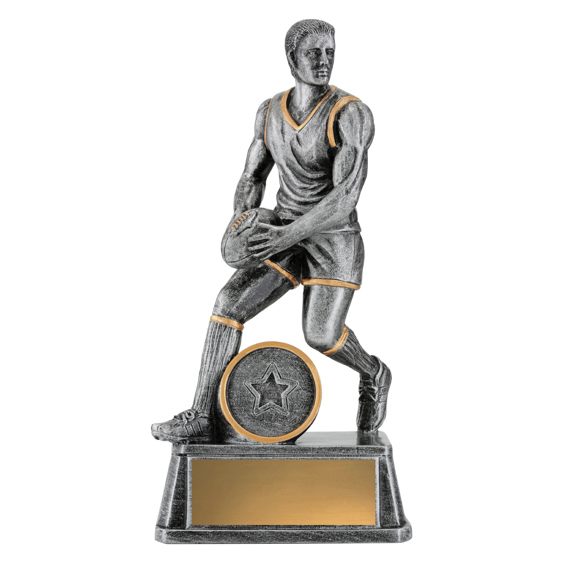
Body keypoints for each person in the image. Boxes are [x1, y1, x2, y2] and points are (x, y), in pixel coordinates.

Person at [152, 19, 391, 443]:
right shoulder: (269, 111)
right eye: (313, 53)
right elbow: (251, 177)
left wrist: (287, 235)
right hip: (282, 227)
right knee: (228, 303)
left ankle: (374, 372)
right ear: (292, 59)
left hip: (333, 236)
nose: (324, 61)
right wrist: (240, 224)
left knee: (321, 335)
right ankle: (201, 415)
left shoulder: (350, 113)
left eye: (330, 52)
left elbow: (345, 197)